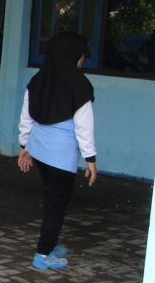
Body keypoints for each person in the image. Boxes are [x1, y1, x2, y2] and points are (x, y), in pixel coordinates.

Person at [17, 31, 98, 270]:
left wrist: (24, 146)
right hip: (61, 155)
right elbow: (84, 126)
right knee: (57, 203)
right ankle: (43, 254)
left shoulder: (38, 79)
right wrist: (90, 158)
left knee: (53, 198)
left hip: (39, 150)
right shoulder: (80, 84)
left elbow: (26, 116)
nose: (83, 59)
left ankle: (50, 244)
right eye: (82, 55)